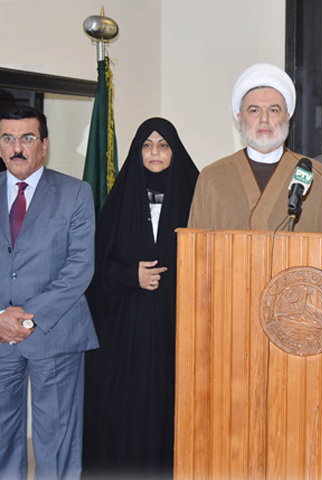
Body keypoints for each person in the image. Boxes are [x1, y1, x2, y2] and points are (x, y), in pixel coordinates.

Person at [83, 118, 199, 478]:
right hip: (124, 329)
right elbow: (97, 264)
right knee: (123, 408)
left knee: (168, 405)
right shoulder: (120, 200)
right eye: (147, 145)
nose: (155, 152)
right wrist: (129, 276)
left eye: (163, 145)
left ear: (174, 151)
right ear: (137, 151)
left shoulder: (195, 194)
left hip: (174, 326)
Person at [0, 105, 96, 479]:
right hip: (0, 333)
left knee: (55, 442)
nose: (17, 147)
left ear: (44, 145)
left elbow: (79, 267)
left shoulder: (75, 192)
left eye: (27, 138)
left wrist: (27, 317)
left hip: (55, 332)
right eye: (8, 138)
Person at [188, 63, 322, 232]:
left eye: (274, 110)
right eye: (254, 111)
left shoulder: (318, 176)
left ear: (287, 117)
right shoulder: (212, 177)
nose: (264, 120)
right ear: (240, 118)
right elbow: (197, 249)